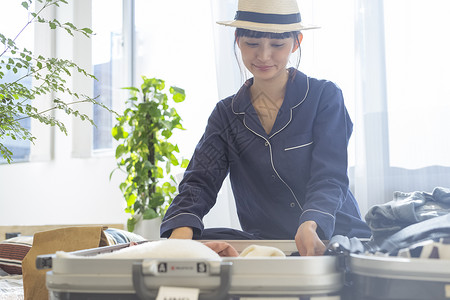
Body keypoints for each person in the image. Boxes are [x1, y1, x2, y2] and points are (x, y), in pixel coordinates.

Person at [160, 0, 372, 256]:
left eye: (277, 45)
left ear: (296, 42)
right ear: (238, 40)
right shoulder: (225, 115)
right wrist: (179, 239)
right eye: (252, 44)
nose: (263, 56)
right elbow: (199, 181)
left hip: (332, 234)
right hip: (270, 243)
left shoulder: (324, 98)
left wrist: (311, 222)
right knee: (197, 238)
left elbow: (329, 176)